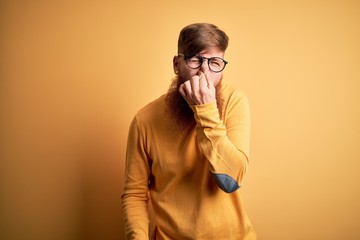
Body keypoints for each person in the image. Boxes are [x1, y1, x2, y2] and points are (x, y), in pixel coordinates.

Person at [121, 23, 256, 240]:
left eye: (215, 62)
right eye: (195, 60)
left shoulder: (234, 102)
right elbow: (134, 194)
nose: (204, 71)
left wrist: (205, 110)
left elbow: (231, 180)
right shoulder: (144, 120)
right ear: (177, 64)